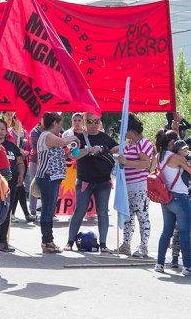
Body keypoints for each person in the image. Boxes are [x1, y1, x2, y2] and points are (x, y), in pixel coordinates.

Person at [66, 112, 118, 253]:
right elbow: (72, 155)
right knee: (79, 211)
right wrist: (89, 149)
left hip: (103, 181)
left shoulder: (105, 138)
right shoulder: (79, 138)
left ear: (100, 122)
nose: (93, 125)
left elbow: (118, 148)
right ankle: (70, 242)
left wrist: (103, 149)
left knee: (102, 212)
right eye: (90, 121)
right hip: (84, 181)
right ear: (84, 122)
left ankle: (103, 244)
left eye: (96, 121)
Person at [35, 112, 78, 253]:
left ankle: (48, 241)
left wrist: (69, 153)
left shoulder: (51, 137)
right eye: (59, 125)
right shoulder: (46, 135)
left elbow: (59, 155)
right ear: (54, 123)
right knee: (47, 210)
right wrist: (74, 137)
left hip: (53, 178)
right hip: (48, 177)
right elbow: (62, 142)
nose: (60, 128)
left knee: (49, 210)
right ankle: (47, 241)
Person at [115, 114, 154, 257]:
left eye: (124, 130)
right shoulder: (130, 144)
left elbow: (146, 164)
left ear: (131, 130)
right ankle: (126, 244)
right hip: (128, 186)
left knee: (142, 216)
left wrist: (127, 162)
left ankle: (143, 246)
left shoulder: (143, 143)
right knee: (128, 216)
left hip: (140, 186)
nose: (123, 133)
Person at [153, 130, 191, 276]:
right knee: (184, 232)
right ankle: (187, 266)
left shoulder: (158, 156)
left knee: (166, 232)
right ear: (172, 142)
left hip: (166, 197)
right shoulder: (176, 158)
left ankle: (159, 264)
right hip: (180, 197)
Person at [0, 118, 25, 250]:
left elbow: (20, 162)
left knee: (6, 212)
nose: (0, 132)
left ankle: (2, 241)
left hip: (10, 186)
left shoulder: (12, 146)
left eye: (2, 129)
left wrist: (21, 175)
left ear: (7, 131)